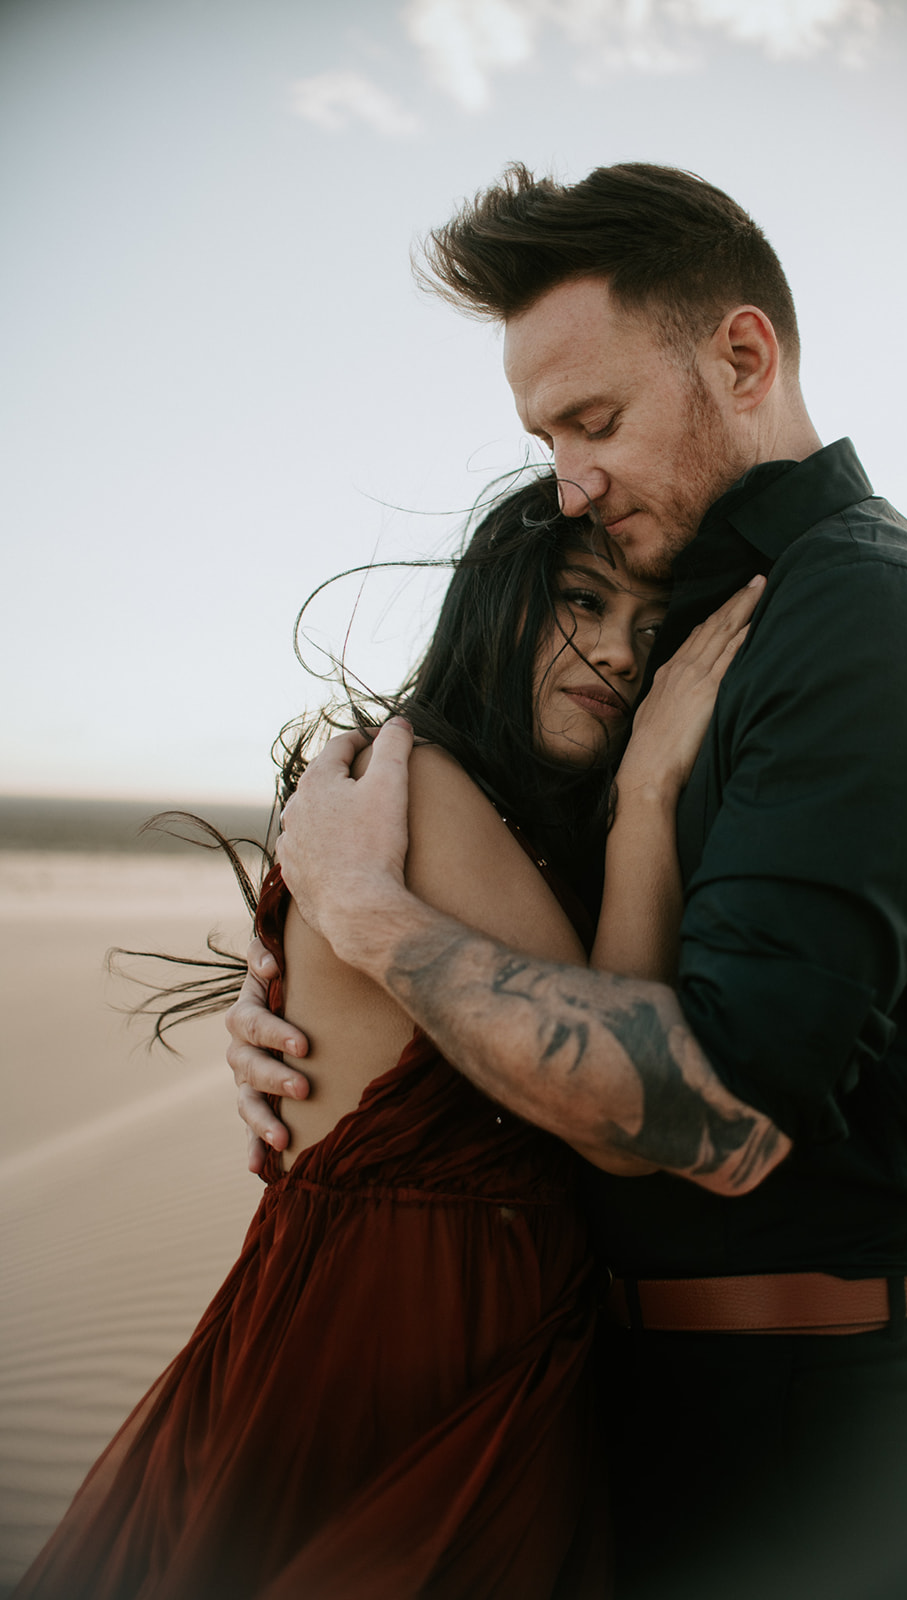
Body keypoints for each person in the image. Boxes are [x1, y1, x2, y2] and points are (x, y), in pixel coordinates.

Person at [229, 163, 907, 1599]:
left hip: (804, 1417)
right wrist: (308, 1009)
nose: (570, 479)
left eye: (592, 420)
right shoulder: (701, 620)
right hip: (626, 1382)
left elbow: (711, 1101)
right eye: (544, 436)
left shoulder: (866, 625)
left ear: (743, 355)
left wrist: (372, 921)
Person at [16, 480, 771, 1600]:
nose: (621, 653)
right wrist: (654, 784)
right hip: (383, 1354)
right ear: (496, 603)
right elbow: (622, 1100)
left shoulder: (531, 833)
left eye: (652, 633)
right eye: (582, 600)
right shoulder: (419, 787)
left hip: (494, 1347)